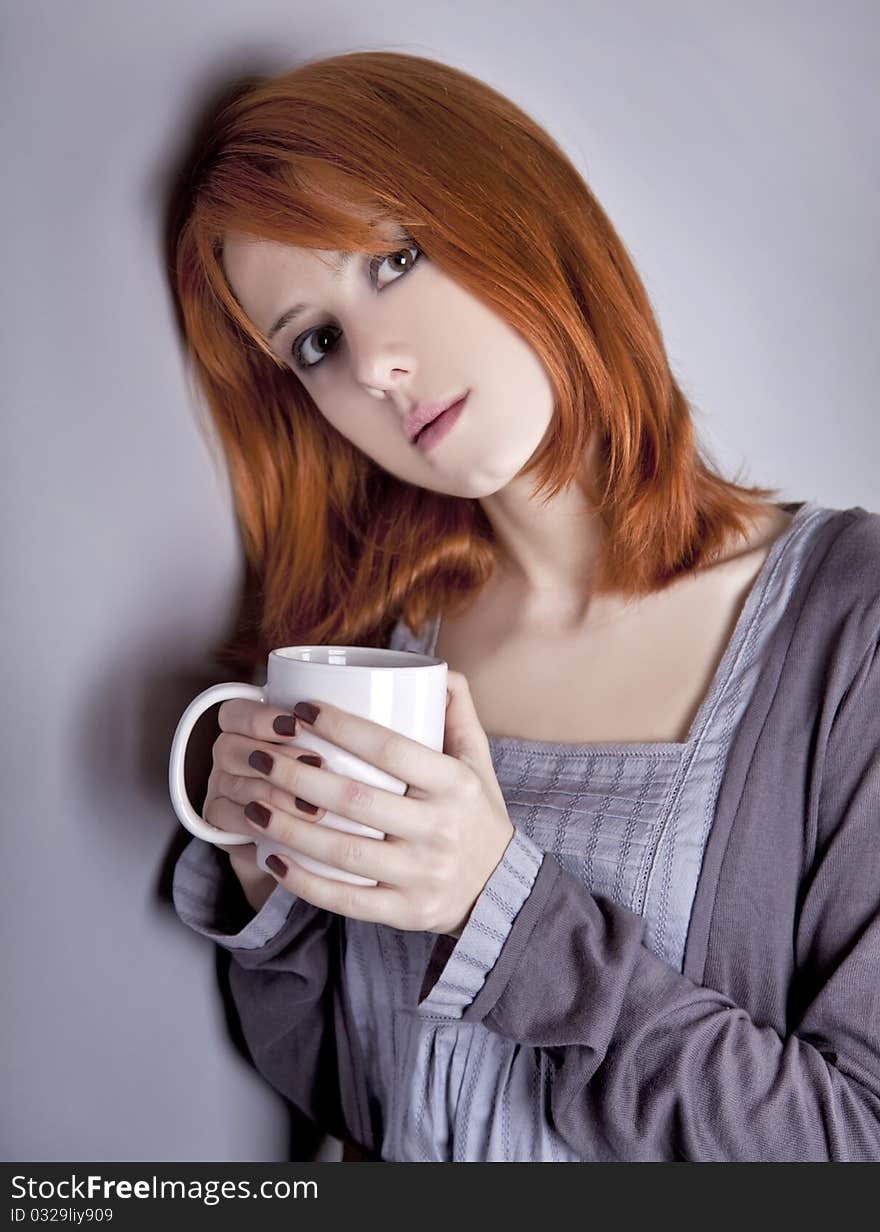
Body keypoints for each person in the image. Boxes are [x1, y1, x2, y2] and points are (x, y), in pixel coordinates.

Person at [168, 50, 880, 1161]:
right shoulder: (377, 646)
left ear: (514, 210)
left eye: (394, 258)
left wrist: (505, 912)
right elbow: (371, 1098)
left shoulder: (850, 625)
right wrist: (268, 865)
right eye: (315, 343)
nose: (377, 368)